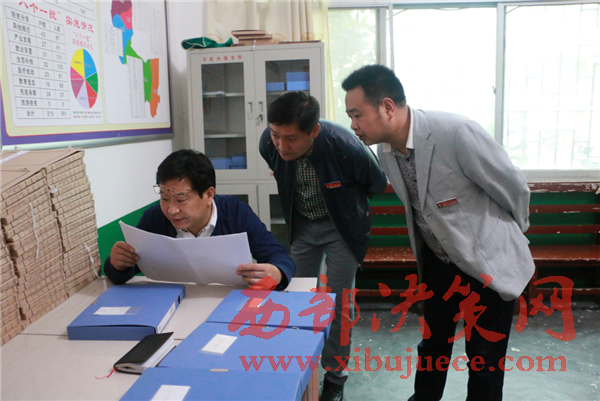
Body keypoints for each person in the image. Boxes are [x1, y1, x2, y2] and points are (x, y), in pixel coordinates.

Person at [342, 65, 535, 401]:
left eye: (357, 115)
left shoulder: (455, 133)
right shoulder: (387, 151)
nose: (353, 125)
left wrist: (509, 237)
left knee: (484, 358)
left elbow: (513, 187)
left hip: (486, 263)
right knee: (433, 345)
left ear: (387, 107)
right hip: (438, 263)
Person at [259, 91, 388, 401]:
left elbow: (376, 182)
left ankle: (335, 376)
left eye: (291, 139)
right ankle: (299, 368)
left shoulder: (344, 145)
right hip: (303, 227)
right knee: (297, 298)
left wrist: (345, 201)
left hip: (342, 229)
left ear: (314, 131)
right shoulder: (268, 143)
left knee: (338, 302)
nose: (281, 145)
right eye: (276, 135)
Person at [104, 149, 295, 291]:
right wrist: (117, 264)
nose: (171, 210)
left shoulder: (236, 213)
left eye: (181, 200)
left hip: (226, 302)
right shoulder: (155, 218)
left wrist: (276, 273)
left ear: (209, 194)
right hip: (172, 303)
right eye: (164, 198)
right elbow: (124, 272)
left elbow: (279, 256)